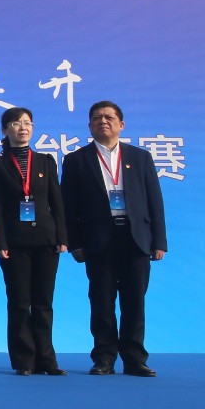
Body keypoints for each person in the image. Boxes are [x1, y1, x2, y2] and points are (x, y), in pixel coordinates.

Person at [61, 100, 166, 377]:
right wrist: (75, 243)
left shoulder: (140, 157)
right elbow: (68, 206)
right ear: (89, 126)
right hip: (98, 239)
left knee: (135, 301)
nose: (103, 121)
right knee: (101, 301)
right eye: (97, 118)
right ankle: (104, 358)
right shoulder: (76, 160)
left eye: (108, 117)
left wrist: (159, 241)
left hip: (136, 238)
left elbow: (155, 201)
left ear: (121, 124)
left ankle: (135, 359)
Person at [0, 107, 67, 376]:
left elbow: (57, 202)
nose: (23, 127)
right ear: (4, 130)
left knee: (44, 301)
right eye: (16, 123)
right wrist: (0, 242)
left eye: (28, 123)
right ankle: (24, 360)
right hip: (14, 242)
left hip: (46, 240)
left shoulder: (45, 161)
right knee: (20, 301)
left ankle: (47, 359)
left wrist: (62, 237)